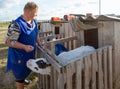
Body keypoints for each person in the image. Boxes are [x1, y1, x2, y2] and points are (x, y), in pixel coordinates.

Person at [5, 2, 43, 89]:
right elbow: (9, 42)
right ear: (29, 12)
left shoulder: (34, 22)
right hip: (19, 56)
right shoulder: (16, 24)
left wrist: (39, 42)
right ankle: (20, 84)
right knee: (19, 74)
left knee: (26, 69)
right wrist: (24, 47)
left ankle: (23, 79)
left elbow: (35, 33)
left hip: (28, 54)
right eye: (35, 13)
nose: (36, 15)